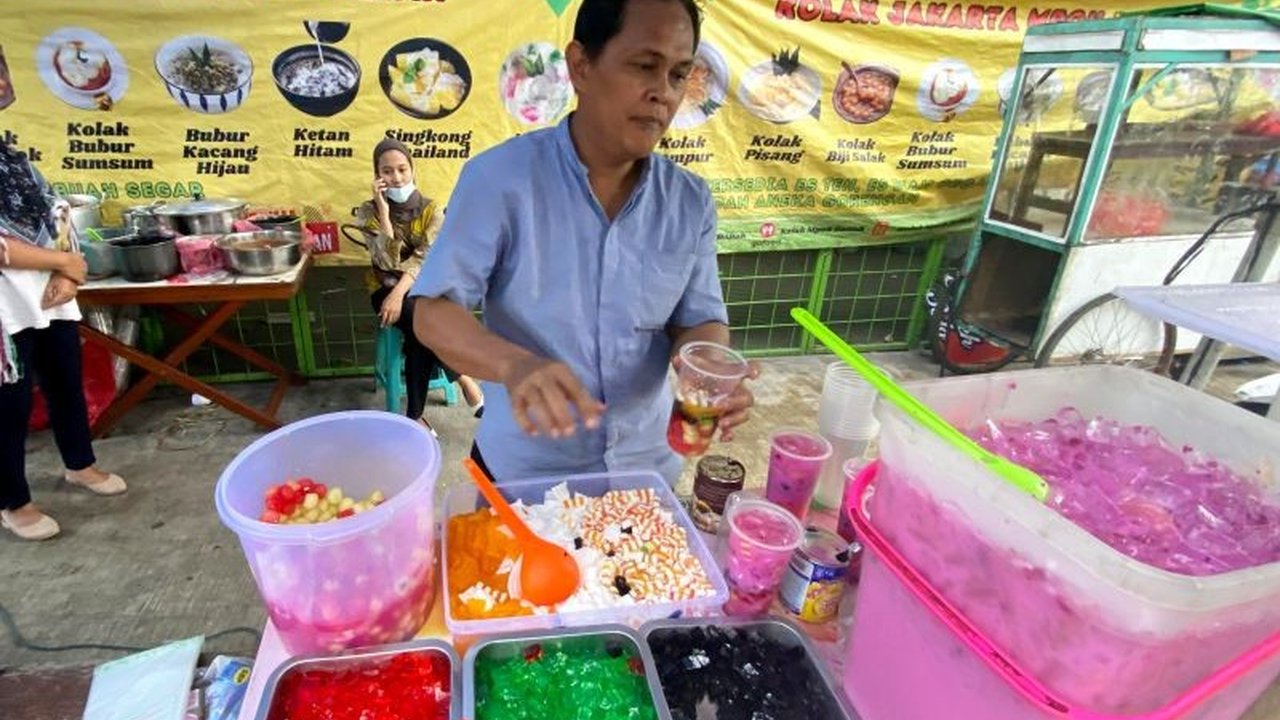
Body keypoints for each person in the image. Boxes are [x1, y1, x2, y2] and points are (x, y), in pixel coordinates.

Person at [410, 0, 756, 484]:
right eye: (644, 66)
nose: (663, 94)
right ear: (580, 66)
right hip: (525, 476)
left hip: (646, 472)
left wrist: (711, 368)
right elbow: (432, 311)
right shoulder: (500, 181)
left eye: (679, 75)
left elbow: (699, 320)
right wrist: (515, 365)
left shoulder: (689, 201)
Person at [0, 148, 127, 541]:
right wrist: (60, 263)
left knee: (66, 384)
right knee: (9, 408)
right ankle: (14, 504)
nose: (4, 85)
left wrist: (70, 274)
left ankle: (80, 465)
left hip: (50, 300)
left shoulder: (13, 162)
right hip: (6, 313)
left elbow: (59, 215)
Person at [354, 138, 484, 433]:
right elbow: (386, 263)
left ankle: (414, 418)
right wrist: (384, 212)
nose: (396, 177)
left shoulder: (432, 210)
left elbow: (426, 257)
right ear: (377, 175)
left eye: (402, 169)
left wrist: (399, 295)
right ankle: (463, 377)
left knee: (419, 332)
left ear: (412, 170)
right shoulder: (367, 212)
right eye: (387, 171)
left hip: (423, 289)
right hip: (383, 288)